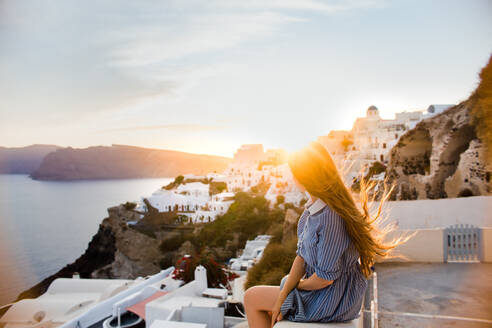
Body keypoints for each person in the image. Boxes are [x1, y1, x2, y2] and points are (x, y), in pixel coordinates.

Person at [244, 141, 403, 328]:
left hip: (331, 299)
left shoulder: (330, 217)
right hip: (324, 290)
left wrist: (295, 286)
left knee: (252, 298)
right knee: (269, 299)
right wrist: (284, 291)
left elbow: (325, 278)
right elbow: (301, 257)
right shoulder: (312, 211)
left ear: (303, 177)